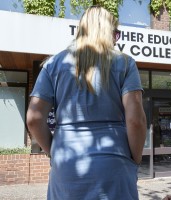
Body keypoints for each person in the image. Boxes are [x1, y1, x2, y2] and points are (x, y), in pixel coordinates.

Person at [26, 6, 146, 200]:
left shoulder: (53, 64)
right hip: (115, 163)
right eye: (116, 33)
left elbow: (33, 119)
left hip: (67, 164)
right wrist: (136, 159)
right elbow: (136, 121)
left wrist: (54, 151)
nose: (117, 39)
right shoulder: (125, 63)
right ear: (109, 32)